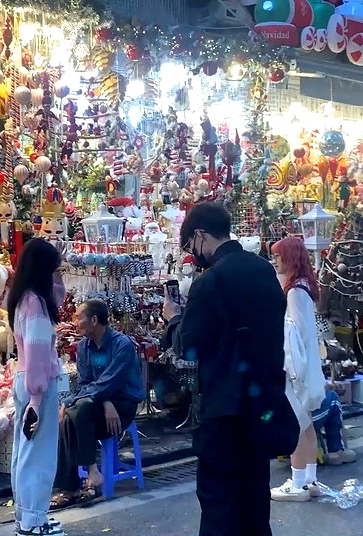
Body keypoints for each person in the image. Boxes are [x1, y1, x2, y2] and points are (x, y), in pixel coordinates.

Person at [162, 202, 288, 536]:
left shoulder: (210, 281)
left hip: (223, 410)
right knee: (255, 500)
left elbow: (189, 346)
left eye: (190, 247)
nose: (192, 255)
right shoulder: (263, 270)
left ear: (200, 236)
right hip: (263, 405)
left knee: (221, 504)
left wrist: (174, 318)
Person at [51, 298, 144, 509]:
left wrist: (80, 400)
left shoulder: (122, 345)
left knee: (77, 408)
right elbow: (85, 383)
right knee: (70, 415)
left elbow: (109, 381)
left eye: (78, 317)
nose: (75, 322)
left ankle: (83, 478)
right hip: (99, 404)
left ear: (94, 320)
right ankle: (80, 481)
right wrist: (104, 402)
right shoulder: (83, 347)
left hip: (123, 405)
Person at [269, 237, 341, 503]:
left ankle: (298, 482)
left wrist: (289, 369)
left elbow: (293, 334)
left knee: (297, 425)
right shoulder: (301, 288)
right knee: (307, 424)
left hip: (294, 369)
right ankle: (309, 479)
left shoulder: (294, 292)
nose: (275, 261)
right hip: (305, 366)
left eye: (278, 256)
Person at [7, 239, 65, 536]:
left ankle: (26, 517)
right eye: (54, 269)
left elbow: (58, 296)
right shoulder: (36, 306)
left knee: (25, 452)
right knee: (38, 456)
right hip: (36, 387)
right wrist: (37, 399)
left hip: (26, 382)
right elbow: (38, 353)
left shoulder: (23, 299)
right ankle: (33, 521)